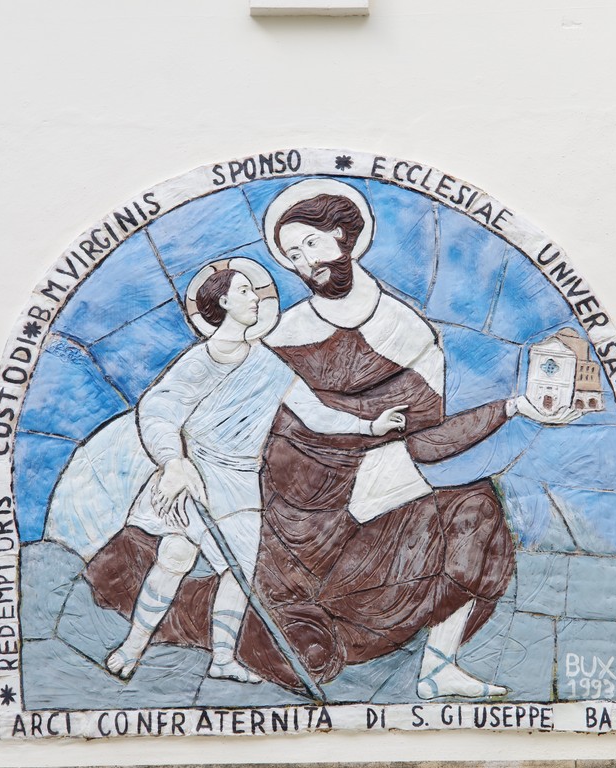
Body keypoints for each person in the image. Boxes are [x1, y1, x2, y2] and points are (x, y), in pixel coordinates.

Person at [247, 178, 580, 699]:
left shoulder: (410, 331)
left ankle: (438, 668)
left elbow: (424, 441)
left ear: (343, 236)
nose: (305, 262)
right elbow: (258, 426)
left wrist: (514, 407)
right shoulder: (283, 334)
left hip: (378, 482)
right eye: (292, 255)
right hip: (301, 508)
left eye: (310, 242)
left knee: (475, 507)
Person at [103, 262, 407, 683]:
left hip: (242, 481)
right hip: (195, 473)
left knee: (238, 572)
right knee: (175, 555)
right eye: (245, 291)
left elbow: (315, 413)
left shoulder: (268, 365)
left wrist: (370, 426)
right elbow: (157, 411)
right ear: (224, 301)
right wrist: (173, 462)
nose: (256, 298)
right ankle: (131, 648)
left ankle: (223, 659)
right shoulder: (200, 361)